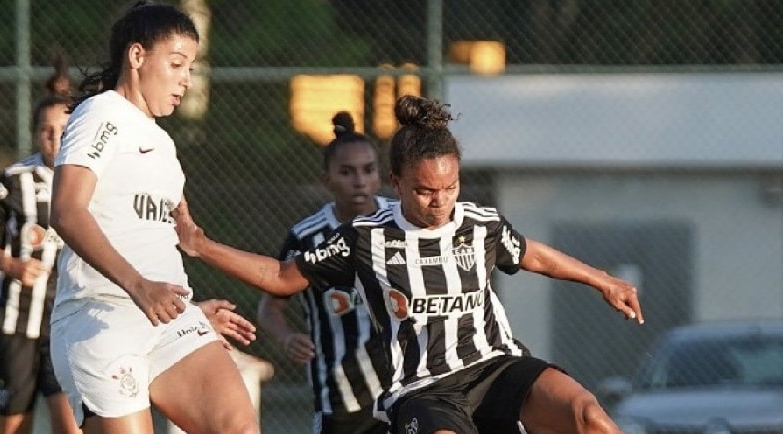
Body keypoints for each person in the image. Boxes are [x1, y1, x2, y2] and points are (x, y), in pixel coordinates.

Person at [175, 95, 646, 434]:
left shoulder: (479, 223)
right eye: (424, 190)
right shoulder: (365, 237)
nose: (440, 201)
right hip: (424, 387)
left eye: (450, 187)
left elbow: (532, 254)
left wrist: (601, 279)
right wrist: (201, 244)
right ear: (396, 182)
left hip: (496, 366)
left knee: (589, 416)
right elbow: (280, 277)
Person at [47, 2, 259, 433]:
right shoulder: (101, 113)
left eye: (192, 68)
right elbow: (67, 211)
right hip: (101, 320)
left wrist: (191, 309)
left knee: (238, 428)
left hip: (167, 321)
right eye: (177, 63)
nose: (186, 78)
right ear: (137, 56)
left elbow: (155, 241)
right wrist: (140, 287)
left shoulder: (162, 143)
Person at [0, 55, 80, 434]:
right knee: (14, 428)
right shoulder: (16, 180)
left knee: (72, 426)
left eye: (63, 129)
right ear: (35, 134)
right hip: (13, 324)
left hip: (64, 325)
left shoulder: (91, 184)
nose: (54, 137)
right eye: (46, 130)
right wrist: (11, 265)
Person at [257, 112, 391, 434]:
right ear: (327, 180)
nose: (359, 181)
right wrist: (286, 338)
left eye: (368, 170)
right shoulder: (307, 237)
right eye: (347, 172)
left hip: (401, 388)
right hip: (341, 397)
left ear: (379, 175)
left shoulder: (399, 222)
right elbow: (269, 306)